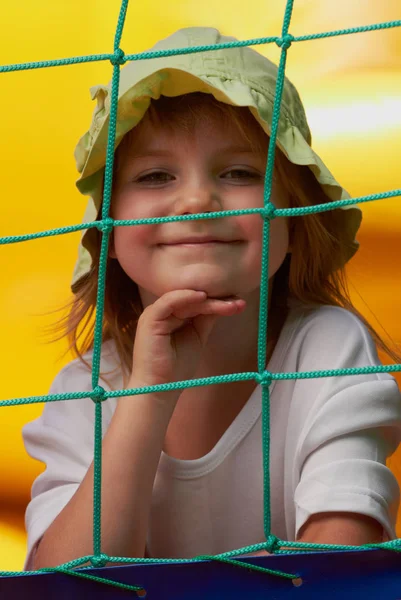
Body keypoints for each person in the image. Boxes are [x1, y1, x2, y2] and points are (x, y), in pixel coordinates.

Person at [22, 27, 401, 570]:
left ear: (294, 218)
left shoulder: (326, 347)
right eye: (155, 175)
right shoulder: (87, 389)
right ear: (107, 228)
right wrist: (149, 397)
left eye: (240, 172)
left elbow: (338, 567)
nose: (198, 197)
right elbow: (61, 583)